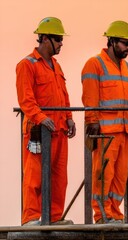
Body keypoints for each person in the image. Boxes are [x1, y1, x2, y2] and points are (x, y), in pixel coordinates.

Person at [16, 17, 76, 226]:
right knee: (34, 177)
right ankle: (31, 218)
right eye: (58, 39)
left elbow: (63, 94)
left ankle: (54, 217)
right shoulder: (27, 65)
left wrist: (69, 118)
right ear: (44, 39)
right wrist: (42, 118)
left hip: (59, 131)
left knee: (59, 178)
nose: (61, 43)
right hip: (38, 131)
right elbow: (26, 100)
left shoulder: (56, 66)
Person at [81, 20, 128, 224]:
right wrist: (92, 122)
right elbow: (90, 98)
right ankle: (102, 215)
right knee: (103, 175)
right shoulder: (95, 64)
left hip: (124, 130)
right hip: (105, 132)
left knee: (120, 178)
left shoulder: (127, 67)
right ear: (112, 41)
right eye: (125, 43)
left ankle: (115, 213)